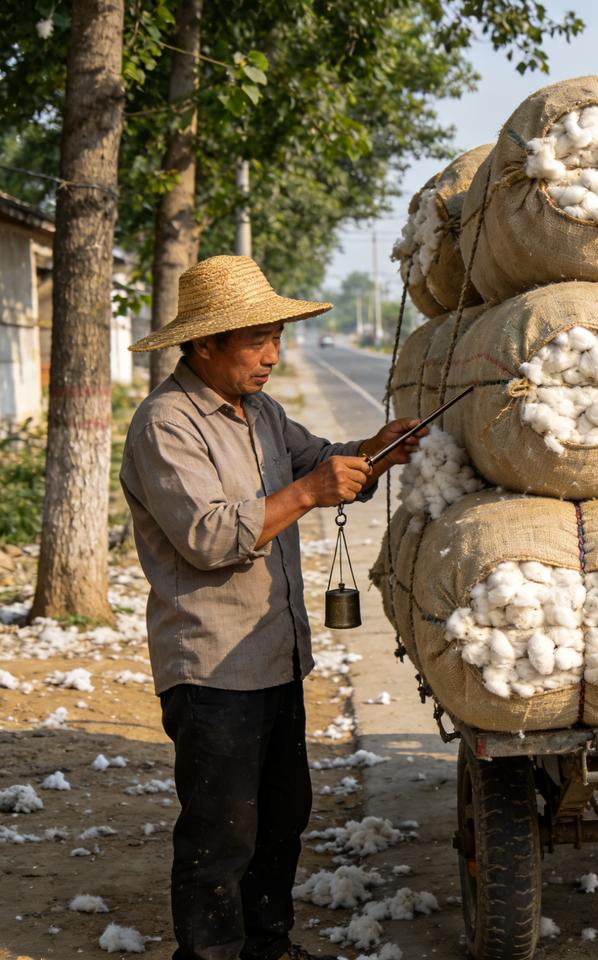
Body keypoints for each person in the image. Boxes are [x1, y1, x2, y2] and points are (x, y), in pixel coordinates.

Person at [121, 256, 422, 960]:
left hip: (275, 657)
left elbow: (323, 459)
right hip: (212, 667)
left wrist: (374, 452)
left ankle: (268, 945)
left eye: (277, 338)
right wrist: (312, 490)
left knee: (282, 819)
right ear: (204, 345)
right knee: (221, 834)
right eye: (257, 340)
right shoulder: (165, 424)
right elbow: (207, 536)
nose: (272, 356)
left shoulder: (261, 413)